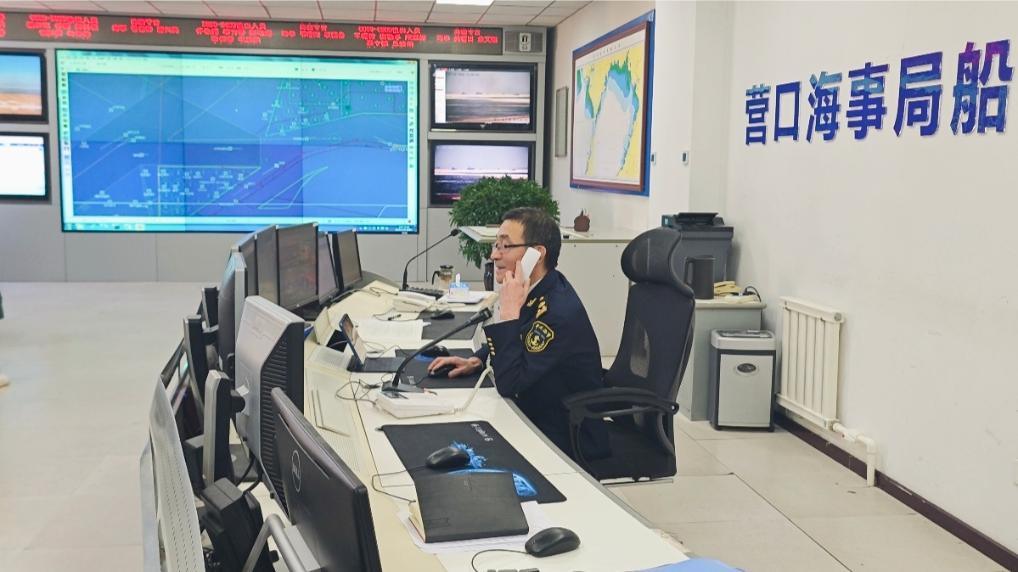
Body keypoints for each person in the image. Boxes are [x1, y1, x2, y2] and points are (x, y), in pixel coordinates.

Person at [429, 207, 610, 461]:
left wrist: (509, 311)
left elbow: (509, 384)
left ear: (537, 254)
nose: (494, 255)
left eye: (505, 246)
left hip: (565, 433)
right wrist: (478, 359)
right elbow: (521, 338)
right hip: (534, 410)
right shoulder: (540, 287)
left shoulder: (558, 312)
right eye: (496, 245)